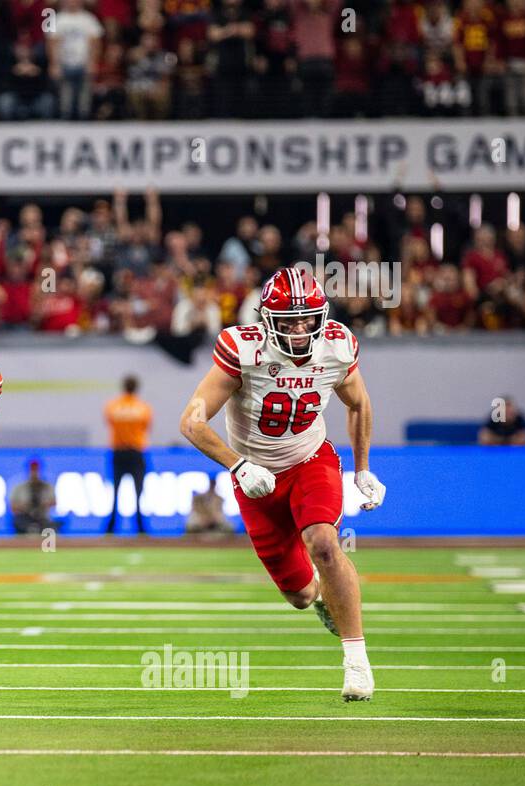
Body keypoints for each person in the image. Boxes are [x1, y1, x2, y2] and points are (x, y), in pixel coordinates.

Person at [179, 268, 386, 700]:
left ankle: (357, 660)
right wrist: (239, 466)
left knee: (324, 543)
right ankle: (321, 598)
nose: (298, 329)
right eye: (287, 321)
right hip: (256, 480)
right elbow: (192, 422)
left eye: (307, 319)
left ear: (320, 316)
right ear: (266, 319)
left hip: (310, 461)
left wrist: (363, 468)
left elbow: (359, 403)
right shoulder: (243, 349)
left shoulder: (337, 345)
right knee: (300, 595)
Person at [104, 375, 152, 534]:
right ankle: (140, 526)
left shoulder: (112, 406)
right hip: (136, 452)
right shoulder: (143, 408)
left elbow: (109, 422)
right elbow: (146, 427)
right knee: (138, 491)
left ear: (123, 387)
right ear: (136, 388)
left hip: (118, 452)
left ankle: (111, 526)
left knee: (116, 490)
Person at [9, 459, 55, 534]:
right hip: (24, 518)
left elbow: (53, 502)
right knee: (17, 522)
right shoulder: (20, 487)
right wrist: (25, 506)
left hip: (42, 518)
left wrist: (42, 505)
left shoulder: (46, 486)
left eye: (36, 469)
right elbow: (13, 506)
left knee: (52, 526)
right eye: (32, 469)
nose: (34, 472)